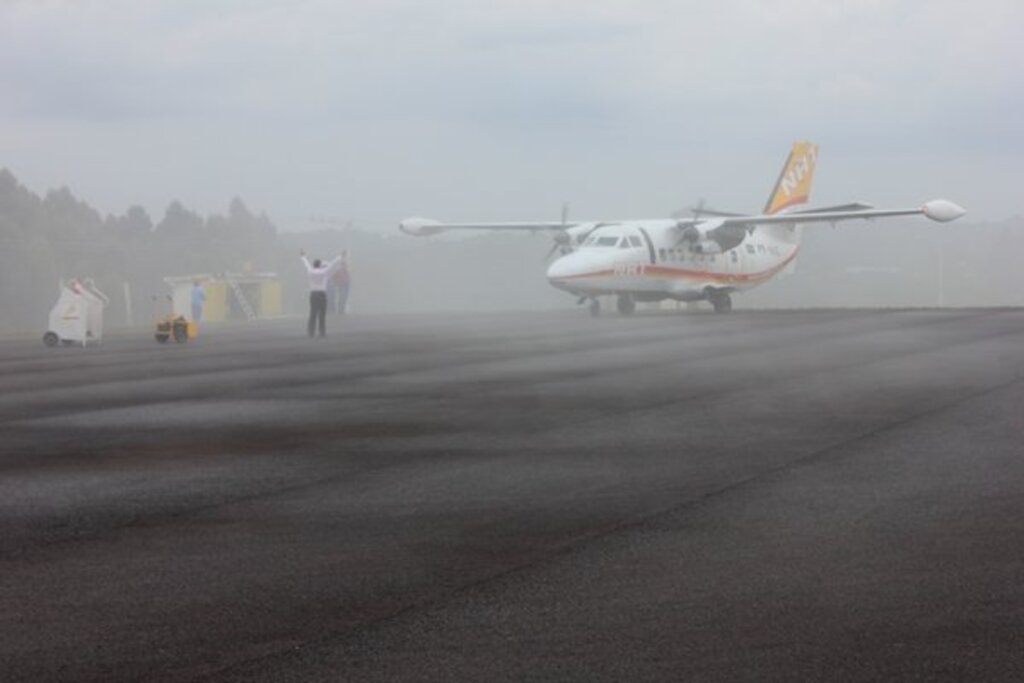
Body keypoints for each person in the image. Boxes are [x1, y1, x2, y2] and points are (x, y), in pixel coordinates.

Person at [300, 249, 342, 337]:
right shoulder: (324, 272)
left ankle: (311, 332)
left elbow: (306, 264)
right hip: (322, 294)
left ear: (314, 265)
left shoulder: (310, 271)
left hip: (313, 294)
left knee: (313, 313)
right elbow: (332, 265)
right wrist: (340, 256)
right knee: (322, 314)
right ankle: (322, 332)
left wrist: (303, 256)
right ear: (320, 265)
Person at [334, 250, 351, 315]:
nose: (345, 266)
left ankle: (342, 310)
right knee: (342, 297)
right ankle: (340, 310)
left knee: (344, 297)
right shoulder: (339, 271)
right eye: (344, 265)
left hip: (346, 284)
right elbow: (336, 278)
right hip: (341, 284)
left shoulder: (345, 271)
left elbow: (348, 278)